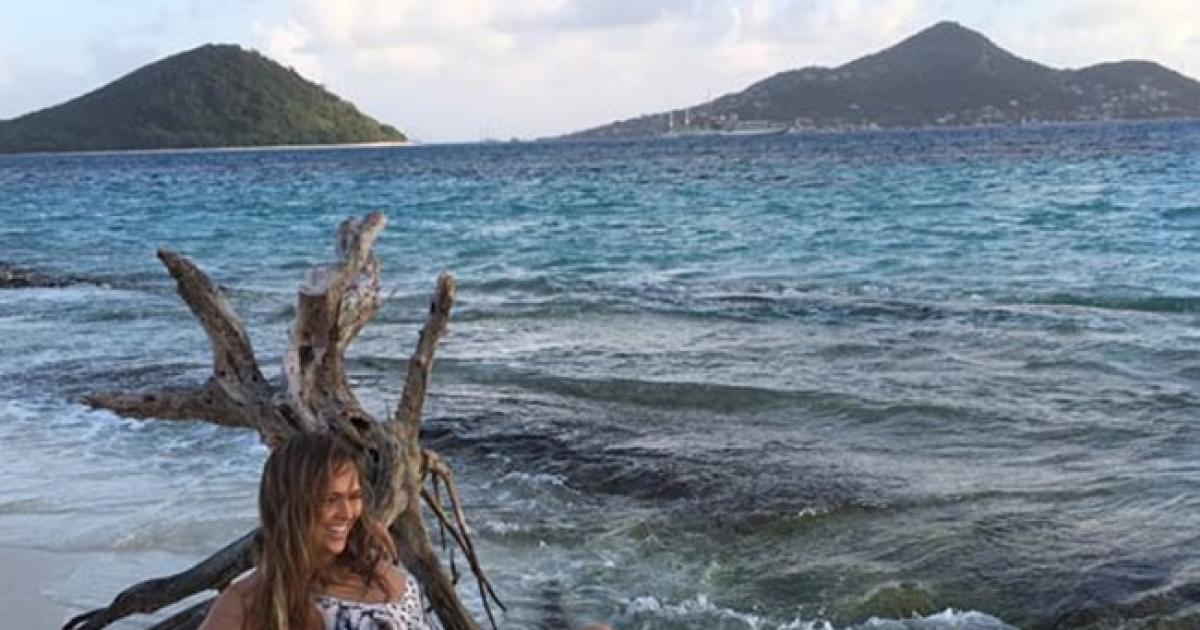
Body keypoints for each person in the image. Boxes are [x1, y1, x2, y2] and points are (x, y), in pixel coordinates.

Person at [200, 432, 429, 630]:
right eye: (330, 499)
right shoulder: (248, 602)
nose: (347, 513)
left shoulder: (382, 570)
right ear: (289, 505)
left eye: (354, 497)